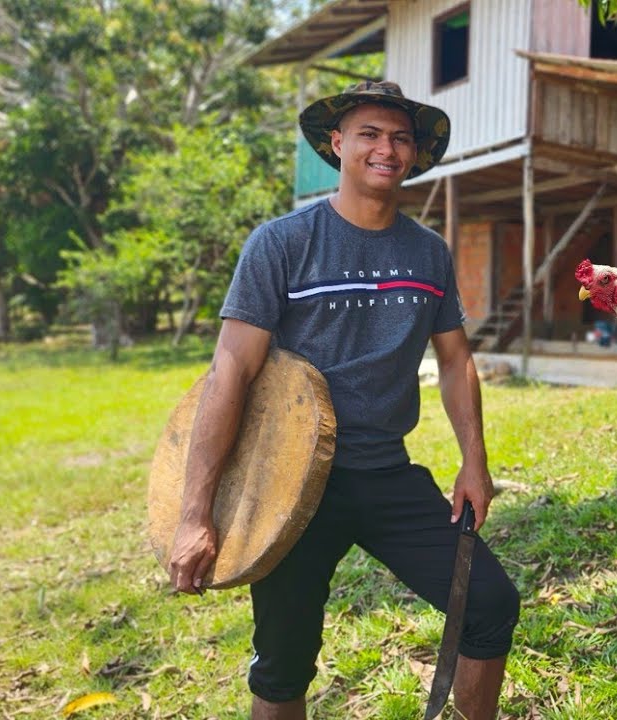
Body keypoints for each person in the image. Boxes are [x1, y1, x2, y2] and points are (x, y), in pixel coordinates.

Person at [166, 81, 520, 720]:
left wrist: (475, 462)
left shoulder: (428, 252)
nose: (387, 148)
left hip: (387, 473)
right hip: (292, 485)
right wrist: (196, 511)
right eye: (370, 134)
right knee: (282, 663)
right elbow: (230, 371)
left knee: (490, 603)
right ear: (338, 145)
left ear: (413, 155)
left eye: (401, 137)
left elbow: (456, 359)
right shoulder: (281, 243)